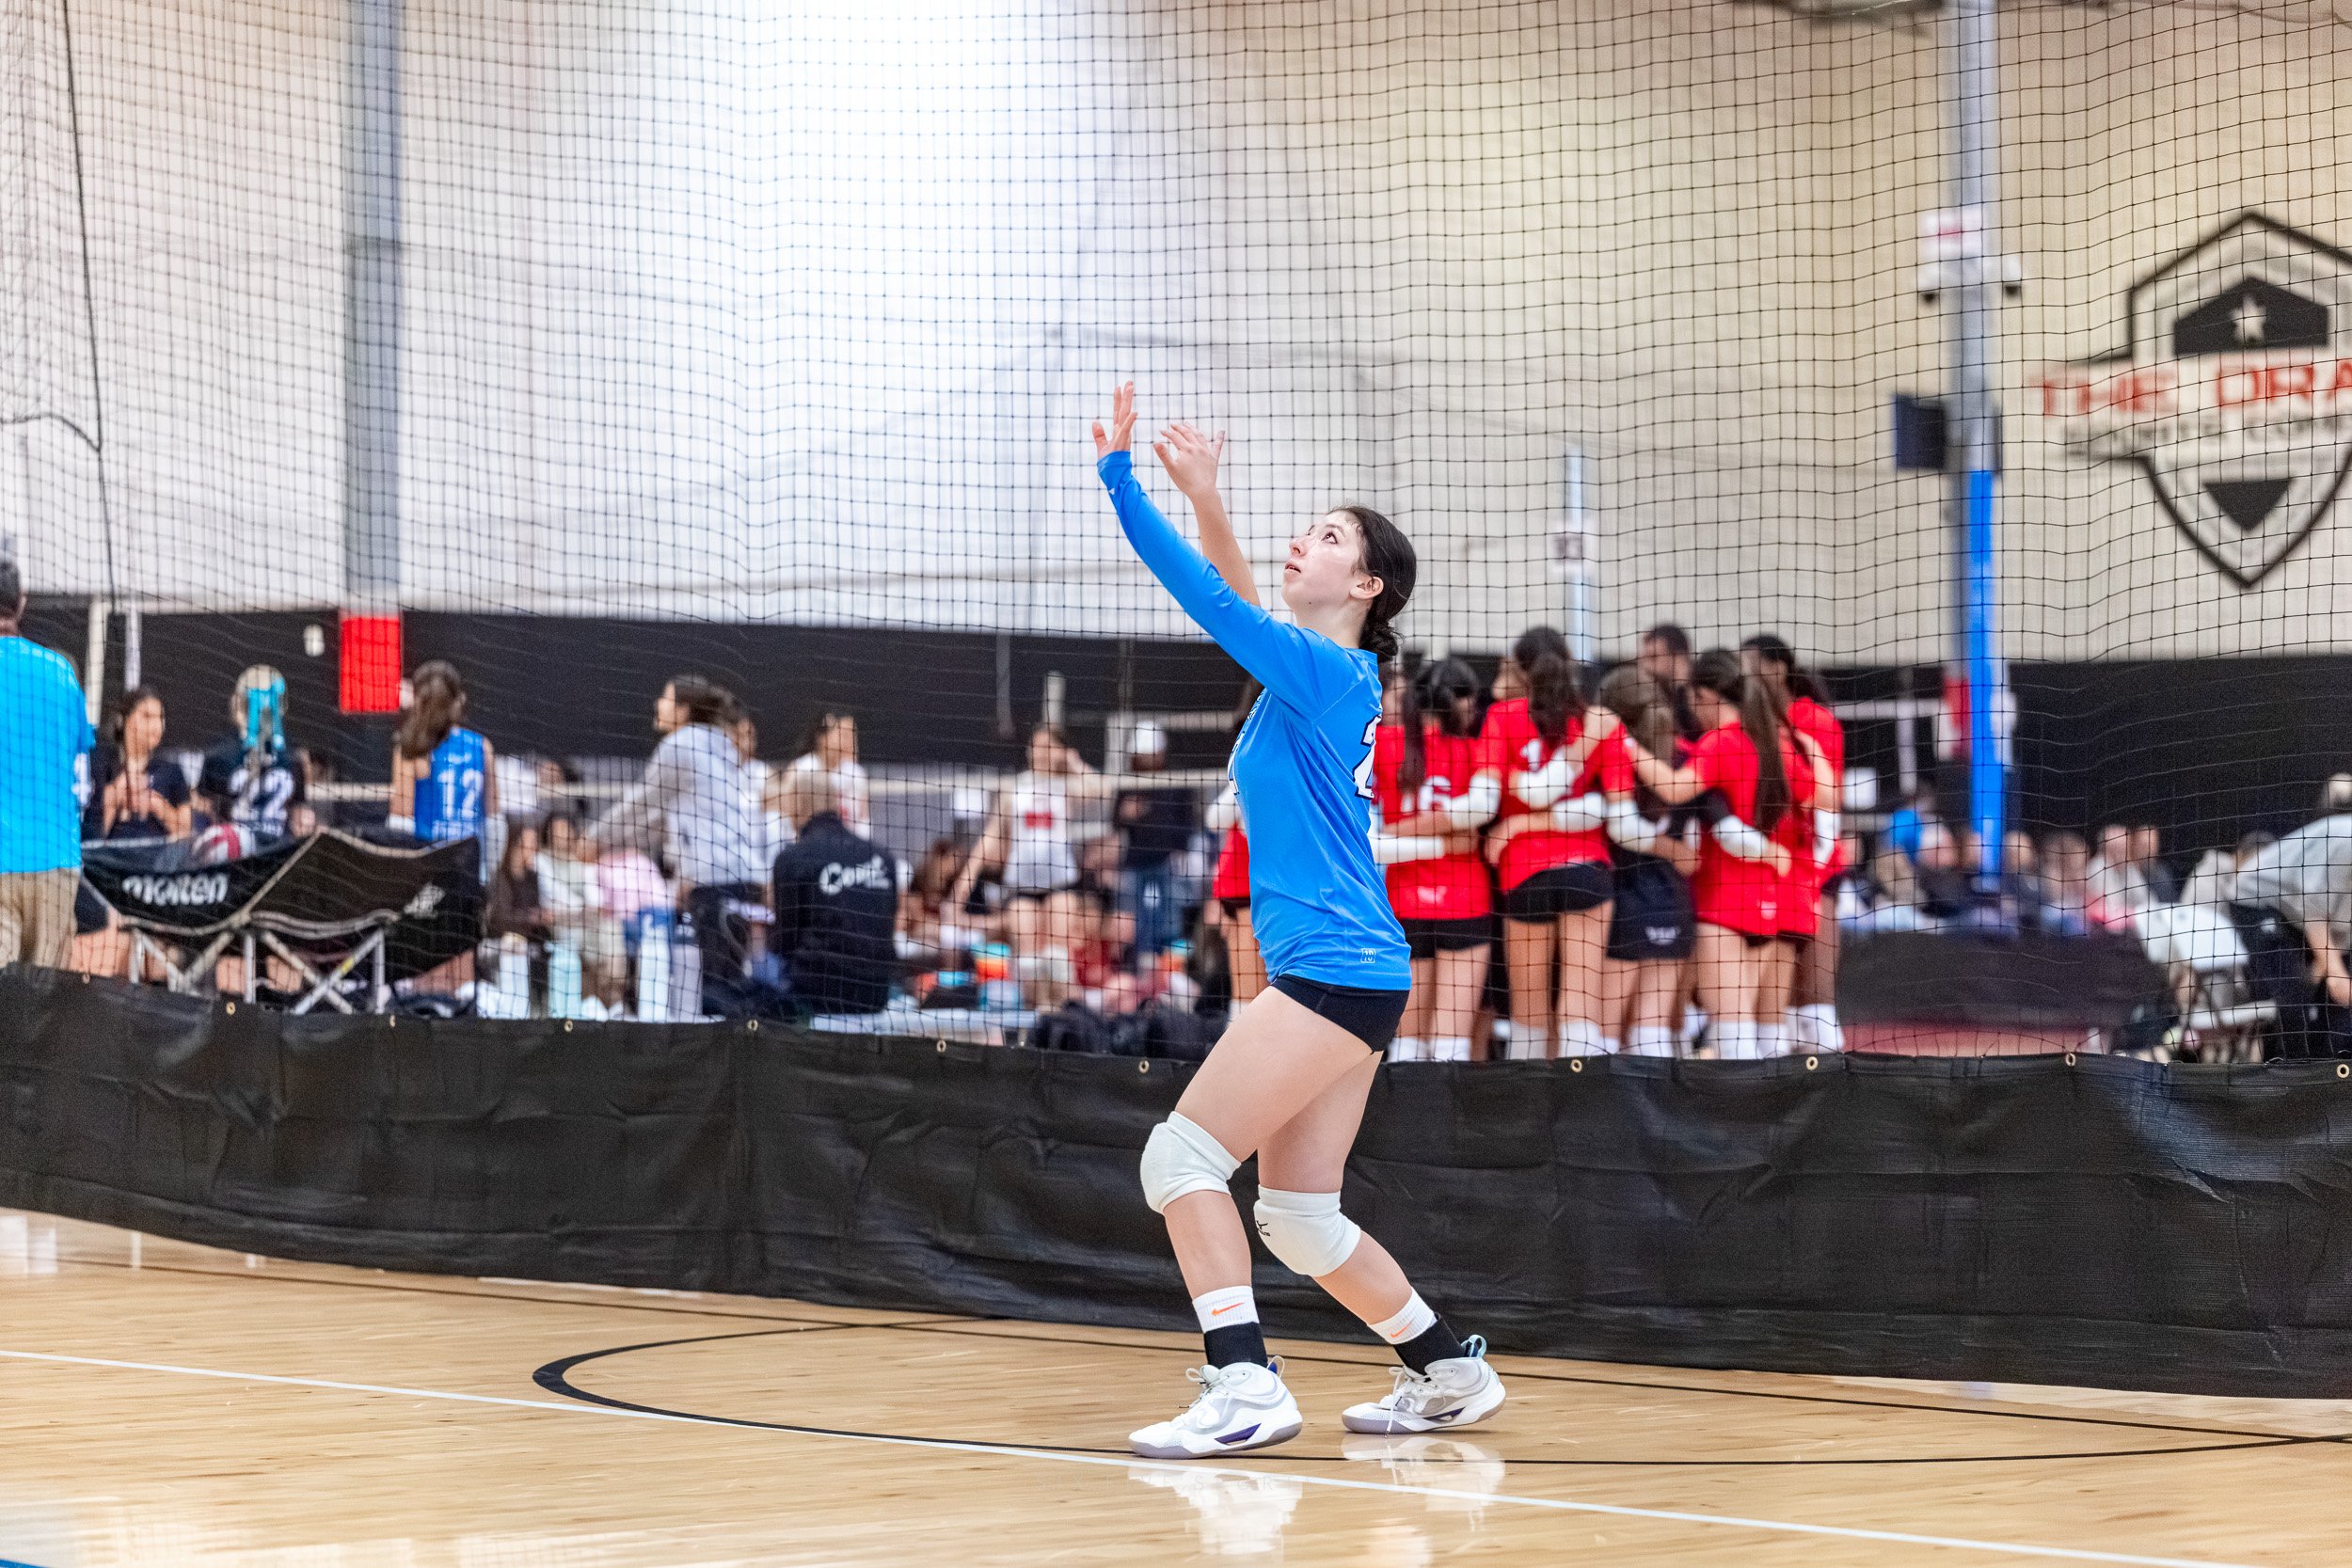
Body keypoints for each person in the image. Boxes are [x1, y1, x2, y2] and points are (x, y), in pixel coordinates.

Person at [1092, 385, 1502, 1460]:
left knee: (1179, 1158)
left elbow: (1212, 602)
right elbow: (1241, 601)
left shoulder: (1324, 671)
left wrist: (1123, 481)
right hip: (1352, 966)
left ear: (1366, 584)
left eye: (1327, 536)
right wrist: (1206, 497)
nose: (1301, 541)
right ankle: (1449, 1369)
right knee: (1299, 1216)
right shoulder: (1311, 675)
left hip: (1330, 963)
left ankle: (1244, 1382)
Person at [1622, 650, 1802, 1060]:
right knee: (1739, 1032)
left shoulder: (1721, 743)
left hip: (1722, 904)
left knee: (1734, 1036)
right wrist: (1771, 852)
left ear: (1705, 696)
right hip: (1765, 903)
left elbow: (1673, 788)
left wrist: (1623, 741)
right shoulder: (1772, 744)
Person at [1481, 626, 1632, 1058]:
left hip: (1525, 873)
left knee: (1528, 1013)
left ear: (1519, 669)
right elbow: (1621, 819)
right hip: (1587, 872)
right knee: (1580, 1005)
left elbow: (1489, 797)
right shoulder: (1598, 722)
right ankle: (1579, 1099)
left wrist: (1521, 824)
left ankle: (1528, 1100)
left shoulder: (1502, 717)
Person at [590, 675, 769, 1015]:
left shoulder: (680, 746)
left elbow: (643, 802)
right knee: (733, 984)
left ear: (683, 710)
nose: (658, 704)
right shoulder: (718, 746)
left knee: (717, 994)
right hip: (745, 882)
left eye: (666, 698)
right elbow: (662, 819)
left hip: (716, 885)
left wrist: (594, 838)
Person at [1373, 657, 1496, 1064]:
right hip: (1465, 901)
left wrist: (1396, 831)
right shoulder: (1473, 750)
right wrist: (1447, 837)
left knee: (1407, 1042)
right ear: (1457, 702)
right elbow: (1470, 837)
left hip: (1405, 903)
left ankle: (1405, 1108)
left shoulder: (1383, 744)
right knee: (1451, 1043)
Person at [951, 721, 1110, 1006]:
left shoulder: (1066, 788)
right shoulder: (1015, 788)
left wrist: (1074, 762)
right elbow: (992, 835)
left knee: (1057, 959)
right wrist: (968, 876)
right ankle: (1033, 1018)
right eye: (1036, 746)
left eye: (1049, 746)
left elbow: (1103, 790)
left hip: (1060, 885)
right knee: (1028, 961)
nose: (1041, 752)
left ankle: (1061, 1017)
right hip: (1021, 887)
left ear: (1061, 751)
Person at [1740, 635, 1844, 1053]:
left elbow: (1828, 801)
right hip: (1768, 866)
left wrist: (1817, 868)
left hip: (1813, 864)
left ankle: (1827, 1060)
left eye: (1750, 663)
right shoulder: (1751, 722)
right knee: (1773, 999)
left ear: (1778, 667)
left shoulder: (1813, 721)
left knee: (1814, 993)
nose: (1744, 673)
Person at [1592, 664, 1698, 1057]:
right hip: (1674, 906)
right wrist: (1675, 851)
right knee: (1651, 1036)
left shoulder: (1610, 755)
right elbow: (1697, 847)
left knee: (1604, 1038)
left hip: (1623, 906)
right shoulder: (1686, 757)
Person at [0, 560, 93, 969]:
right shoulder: (60, 673)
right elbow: (79, 762)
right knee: (42, 997)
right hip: (54, 862)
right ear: (21, 603)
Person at [770, 769, 898, 1015]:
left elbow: (785, 939)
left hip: (815, 996)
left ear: (797, 804)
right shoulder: (882, 857)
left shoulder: (792, 859)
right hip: (874, 995)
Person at [2232, 808, 2352, 1056]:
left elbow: (2341, 927)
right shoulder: (2346, 842)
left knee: (2328, 999)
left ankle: (2324, 1067)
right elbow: (2314, 913)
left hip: (2296, 913)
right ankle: (2288, 1072)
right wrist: (2335, 973)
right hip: (2258, 899)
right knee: (2293, 998)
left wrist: (2326, 971)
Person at [389, 661, 498, 871]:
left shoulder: (413, 747)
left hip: (427, 865)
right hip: (468, 864)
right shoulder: (481, 746)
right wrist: (486, 873)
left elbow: (400, 820)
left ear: (417, 699)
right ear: (459, 700)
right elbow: (494, 820)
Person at [1116, 721, 1200, 966]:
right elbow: (1115, 821)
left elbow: (1187, 819)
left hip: (1167, 860)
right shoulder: (1129, 783)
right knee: (1136, 915)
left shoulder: (1176, 780)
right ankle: (1140, 962)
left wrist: (1182, 849)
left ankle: (1173, 964)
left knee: (1170, 914)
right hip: (1136, 860)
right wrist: (1126, 814)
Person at [199, 666, 307, 847]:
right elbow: (204, 804)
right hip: (235, 848)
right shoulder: (221, 751)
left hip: (278, 848)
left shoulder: (290, 752)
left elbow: (298, 807)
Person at [87, 687, 193, 841]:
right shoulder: (101, 766)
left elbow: (186, 833)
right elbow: (91, 837)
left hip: (157, 854)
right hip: (110, 854)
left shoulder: (171, 770)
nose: (156, 725)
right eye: (147, 716)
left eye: (160, 717)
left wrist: (157, 805)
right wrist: (115, 797)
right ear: (124, 720)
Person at [1637, 622, 1701, 741]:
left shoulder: (1702, 694)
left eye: (1653, 657)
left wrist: (1681, 686)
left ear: (1679, 657)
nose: (1645, 666)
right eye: (1644, 659)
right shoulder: (1656, 694)